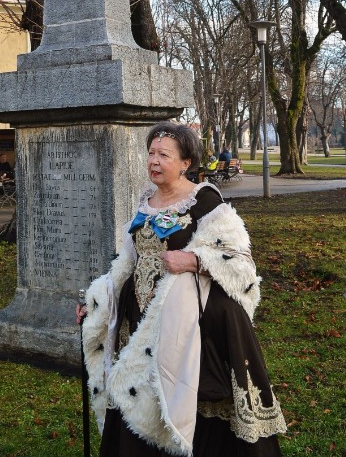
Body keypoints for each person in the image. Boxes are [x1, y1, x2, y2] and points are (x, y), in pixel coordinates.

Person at [77, 121, 286, 457]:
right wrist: (98, 300)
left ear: (186, 163)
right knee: (138, 392)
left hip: (187, 324)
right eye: (150, 153)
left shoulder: (206, 202)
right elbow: (126, 262)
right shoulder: (146, 201)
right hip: (138, 318)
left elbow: (240, 260)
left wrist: (193, 261)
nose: (154, 161)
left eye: (163, 155)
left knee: (182, 390)